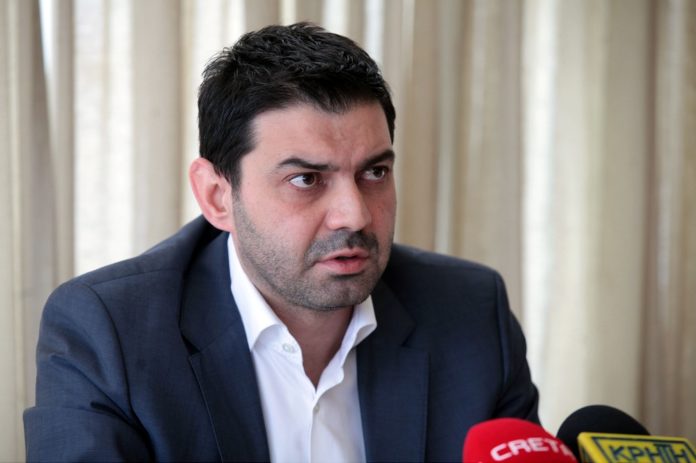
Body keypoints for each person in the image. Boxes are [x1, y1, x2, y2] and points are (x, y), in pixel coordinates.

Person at [24, 23, 538, 462]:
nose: (355, 214)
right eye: (306, 179)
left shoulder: (470, 314)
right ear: (217, 196)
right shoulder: (110, 332)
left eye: (374, 172)